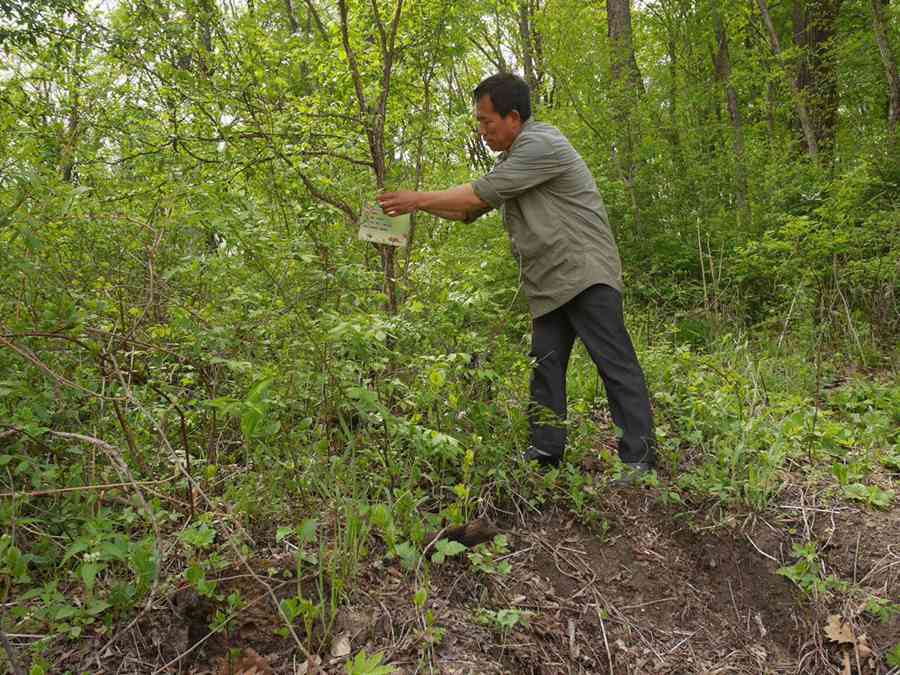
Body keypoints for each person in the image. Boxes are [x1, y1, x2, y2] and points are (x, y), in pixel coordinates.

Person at [378, 72, 655, 478]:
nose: (482, 130)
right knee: (544, 366)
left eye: (487, 121)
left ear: (513, 117)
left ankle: (639, 459)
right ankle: (546, 456)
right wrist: (409, 206)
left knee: (614, 364)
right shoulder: (512, 162)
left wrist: (416, 198)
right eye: (479, 122)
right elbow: (467, 210)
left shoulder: (541, 145)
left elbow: (474, 195)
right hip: (549, 283)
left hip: (584, 272)